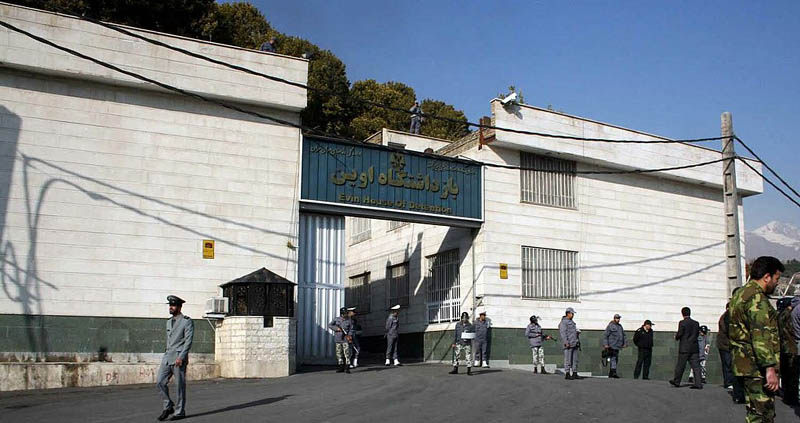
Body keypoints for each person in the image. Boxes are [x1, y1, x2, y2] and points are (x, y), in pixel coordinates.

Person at [730, 256, 784, 423]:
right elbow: (760, 335)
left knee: (755, 412)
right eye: (776, 279)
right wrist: (770, 368)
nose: (776, 283)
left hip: (744, 363)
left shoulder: (740, 294)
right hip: (757, 367)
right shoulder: (756, 298)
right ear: (767, 277)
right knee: (762, 415)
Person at [156, 295, 194, 421]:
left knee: (179, 386)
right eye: (170, 305)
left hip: (178, 358)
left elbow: (188, 341)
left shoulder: (186, 321)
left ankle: (179, 412)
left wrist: (181, 357)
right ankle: (168, 406)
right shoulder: (168, 322)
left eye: (173, 305)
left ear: (179, 307)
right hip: (167, 357)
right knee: (160, 382)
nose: (170, 308)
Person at [669, 307, 703, 389]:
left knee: (680, 365)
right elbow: (696, 334)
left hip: (684, 347)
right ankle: (698, 383)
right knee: (696, 366)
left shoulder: (682, 323)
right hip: (694, 347)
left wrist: (676, 337)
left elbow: (680, 333)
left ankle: (677, 381)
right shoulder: (696, 323)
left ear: (682, 314)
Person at [777, 297, 798, 406]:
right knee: (792, 373)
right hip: (791, 346)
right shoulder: (789, 315)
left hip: (783, 346)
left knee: (785, 373)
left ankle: (786, 395)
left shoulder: (779, 315)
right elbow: (792, 330)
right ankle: (792, 397)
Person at [328, 307, 353, 374]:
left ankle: (347, 367)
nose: (346, 314)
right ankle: (340, 367)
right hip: (338, 339)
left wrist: (349, 335)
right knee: (339, 354)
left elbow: (351, 329)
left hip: (345, 339)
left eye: (346, 313)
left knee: (347, 353)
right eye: (345, 313)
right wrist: (336, 329)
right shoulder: (336, 319)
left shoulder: (349, 320)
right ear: (342, 314)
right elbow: (330, 325)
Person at [559, 307, 582, 380]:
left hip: (574, 343)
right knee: (568, 359)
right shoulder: (564, 322)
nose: (573, 315)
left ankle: (574, 373)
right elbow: (563, 333)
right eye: (572, 313)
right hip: (568, 344)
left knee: (575, 359)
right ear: (568, 313)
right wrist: (566, 342)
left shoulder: (572, 322)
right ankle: (567, 373)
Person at [603, 313, 627, 378]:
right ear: (614, 318)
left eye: (619, 318)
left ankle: (611, 373)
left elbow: (623, 335)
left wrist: (625, 343)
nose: (618, 319)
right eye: (617, 318)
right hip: (612, 345)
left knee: (615, 359)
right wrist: (606, 344)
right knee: (613, 358)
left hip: (618, 346)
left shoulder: (620, 326)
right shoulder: (610, 326)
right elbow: (606, 335)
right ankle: (614, 372)